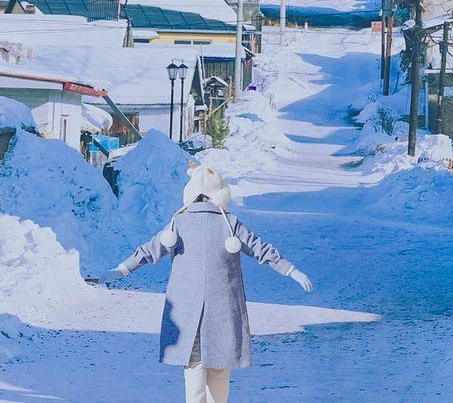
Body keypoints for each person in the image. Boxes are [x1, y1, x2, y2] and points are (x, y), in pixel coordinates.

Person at [101, 162, 313, 403]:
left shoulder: (178, 223)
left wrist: (121, 269)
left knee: (194, 373)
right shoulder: (229, 223)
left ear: (191, 194)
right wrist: (290, 270)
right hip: (223, 310)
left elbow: (150, 250)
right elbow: (260, 248)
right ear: (220, 193)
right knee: (220, 371)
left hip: (185, 310)